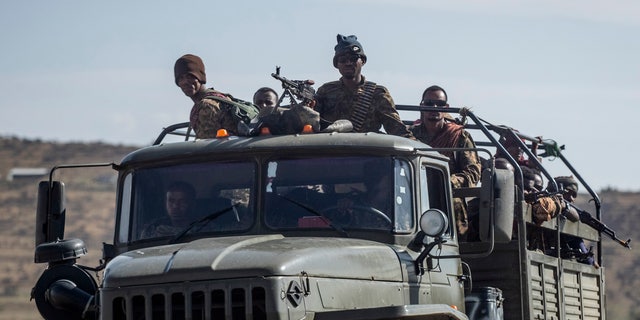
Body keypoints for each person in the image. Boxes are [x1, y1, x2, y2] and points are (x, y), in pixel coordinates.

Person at [409, 85, 481, 237]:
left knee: (453, 204)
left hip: (447, 195)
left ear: (446, 107)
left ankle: (455, 248)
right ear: (422, 106)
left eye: (439, 104)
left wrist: (447, 182)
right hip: (413, 193)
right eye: (429, 104)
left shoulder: (459, 137)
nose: (434, 108)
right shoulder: (409, 136)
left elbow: (473, 172)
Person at [314, 34, 413, 138]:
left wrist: (418, 147)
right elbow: (311, 124)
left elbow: (396, 128)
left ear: (363, 61)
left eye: (353, 59)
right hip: (331, 150)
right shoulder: (326, 91)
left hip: (365, 151)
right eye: (343, 60)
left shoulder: (377, 93)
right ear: (337, 64)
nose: (348, 63)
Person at [174, 54, 242, 138]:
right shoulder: (219, 98)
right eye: (181, 78)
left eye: (190, 76)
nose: (185, 82)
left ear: (200, 77)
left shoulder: (207, 105)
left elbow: (205, 144)